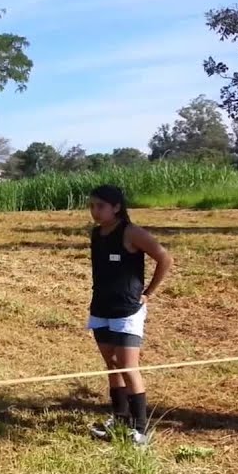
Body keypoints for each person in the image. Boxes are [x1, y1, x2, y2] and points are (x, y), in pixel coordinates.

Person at [86, 185, 173, 446]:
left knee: (128, 366)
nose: (95, 211)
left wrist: (148, 292)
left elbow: (164, 258)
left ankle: (141, 430)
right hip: (101, 309)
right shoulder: (97, 233)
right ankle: (120, 420)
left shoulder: (131, 233)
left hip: (127, 311)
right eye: (92, 206)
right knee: (112, 365)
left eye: (100, 206)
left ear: (116, 207)